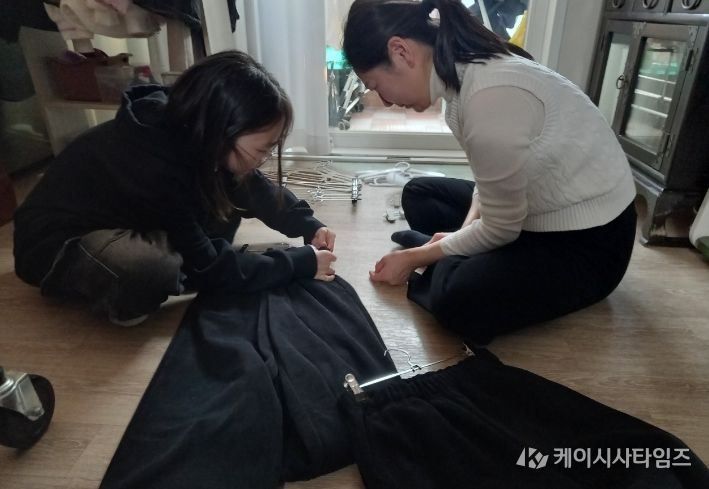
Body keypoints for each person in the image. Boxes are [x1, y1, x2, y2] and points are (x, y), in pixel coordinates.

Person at [343, 0, 637, 344]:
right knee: (419, 194)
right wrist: (462, 235)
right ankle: (453, 257)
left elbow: (501, 228)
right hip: (531, 213)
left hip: (590, 242)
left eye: (376, 85)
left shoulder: (488, 96)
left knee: (458, 301)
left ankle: (448, 263)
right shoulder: (464, 75)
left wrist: (416, 257)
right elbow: (488, 183)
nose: (385, 100)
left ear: (401, 52)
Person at [13, 50, 337, 326]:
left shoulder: (194, 127)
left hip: (119, 218)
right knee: (151, 270)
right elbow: (210, 270)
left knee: (222, 207)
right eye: (263, 150)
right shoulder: (157, 164)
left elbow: (250, 186)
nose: (264, 160)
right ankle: (132, 287)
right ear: (223, 131)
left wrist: (305, 223)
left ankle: (185, 259)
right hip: (54, 246)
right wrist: (298, 264)